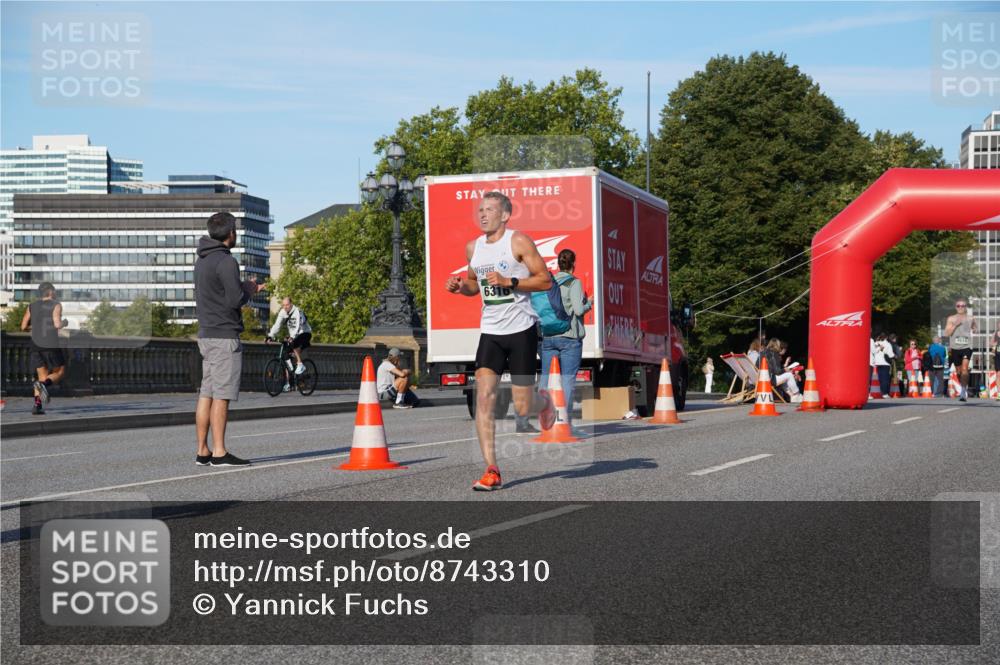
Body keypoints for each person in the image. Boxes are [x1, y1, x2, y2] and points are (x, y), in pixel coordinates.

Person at [445, 191, 555, 491]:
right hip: (491, 332)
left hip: (521, 330)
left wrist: (511, 282)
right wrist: (459, 286)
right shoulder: (473, 248)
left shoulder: (518, 242)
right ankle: (491, 469)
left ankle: (544, 402)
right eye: (480, 209)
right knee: (484, 398)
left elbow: (545, 279)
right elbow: (473, 286)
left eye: (490, 209)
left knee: (523, 406)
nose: (482, 214)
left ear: (505, 215)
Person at [194, 211, 266, 467]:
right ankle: (220, 452)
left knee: (207, 393)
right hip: (225, 335)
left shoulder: (202, 259)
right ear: (230, 233)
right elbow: (235, 299)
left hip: (206, 333)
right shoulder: (226, 261)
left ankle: (202, 450)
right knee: (221, 396)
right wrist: (250, 289)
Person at [539, 248, 591, 433]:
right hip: (569, 338)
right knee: (567, 380)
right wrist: (589, 303)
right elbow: (578, 310)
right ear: (573, 264)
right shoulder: (574, 283)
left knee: (546, 379)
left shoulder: (548, 282)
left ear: (558, 264)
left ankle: (545, 421)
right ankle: (565, 423)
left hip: (548, 337)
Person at [20, 282, 67, 415]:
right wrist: (65, 322)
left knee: (41, 376)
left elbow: (23, 327)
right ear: (50, 292)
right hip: (50, 344)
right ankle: (44, 385)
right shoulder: (56, 304)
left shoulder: (32, 306)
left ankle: (37, 406)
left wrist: (35, 327)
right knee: (60, 371)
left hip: (35, 346)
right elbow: (57, 324)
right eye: (54, 290)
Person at [267, 296, 312, 392]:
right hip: (294, 336)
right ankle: (288, 383)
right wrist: (270, 335)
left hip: (304, 333)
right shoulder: (283, 312)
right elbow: (277, 325)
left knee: (294, 344)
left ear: (291, 304)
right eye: (283, 305)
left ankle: (300, 364)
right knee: (286, 357)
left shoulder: (297, 312)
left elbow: (298, 326)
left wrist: (292, 337)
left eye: (287, 305)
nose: (285, 307)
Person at [944, 299, 978, 402]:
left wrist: (974, 329)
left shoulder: (970, 318)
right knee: (959, 371)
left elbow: (975, 327)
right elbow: (947, 333)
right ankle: (963, 385)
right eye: (958, 306)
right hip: (955, 348)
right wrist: (955, 325)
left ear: (965, 307)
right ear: (956, 307)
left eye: (963, 306)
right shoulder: (951, 319)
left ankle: (963, 392)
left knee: (964, 368)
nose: (961, 308)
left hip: (967, 347)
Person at [761, 338, 801, 403]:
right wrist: (785, 369)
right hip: (769, 379)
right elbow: (778, 372)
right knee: (789, 375)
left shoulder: (762, 352)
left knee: (784, 377)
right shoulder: (774, 354)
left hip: (760, 378)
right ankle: (797, 395)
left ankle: (792, 395)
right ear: (777, 345)